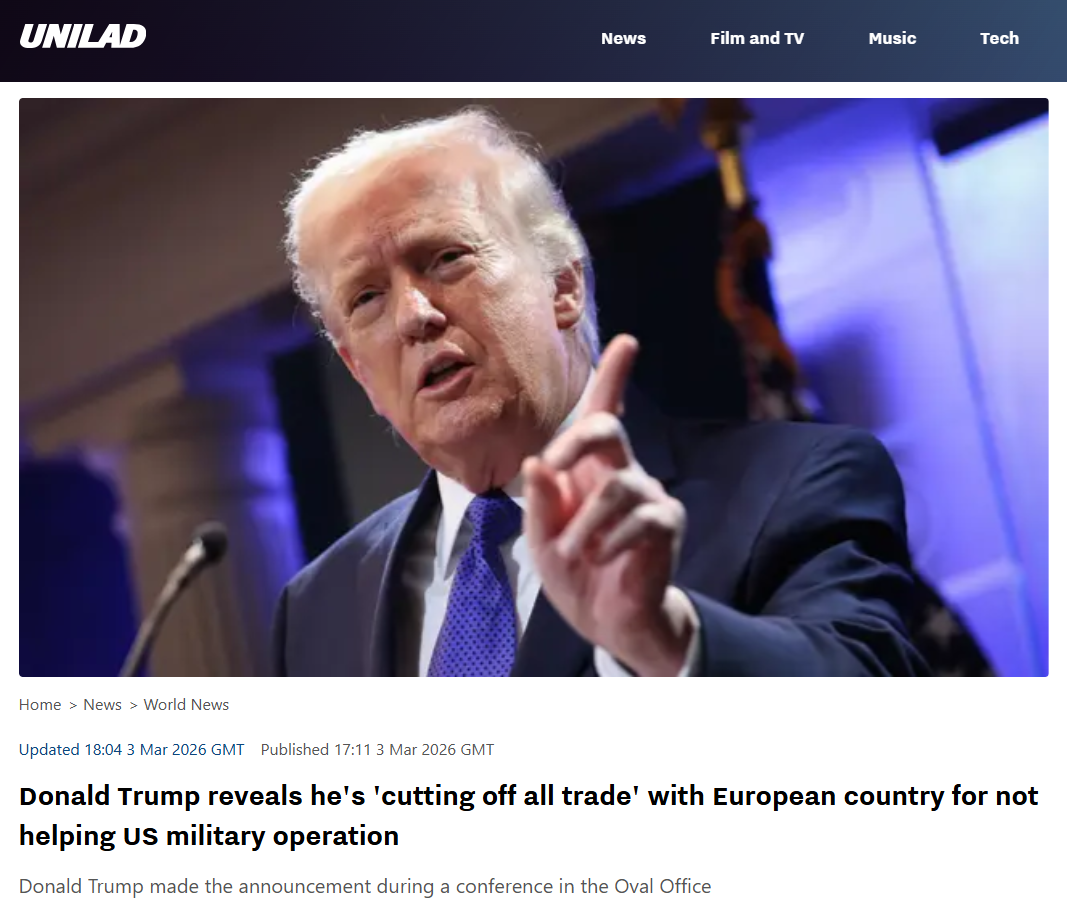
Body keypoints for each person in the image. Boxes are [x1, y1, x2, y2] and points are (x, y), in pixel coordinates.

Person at [271, 107, 929, 677]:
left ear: (563, 285)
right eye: (366, 297)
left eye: (445, 258)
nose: (413, 314)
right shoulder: (316, 606)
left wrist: (660, 637)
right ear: (358, 369)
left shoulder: (796, 482)